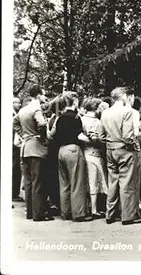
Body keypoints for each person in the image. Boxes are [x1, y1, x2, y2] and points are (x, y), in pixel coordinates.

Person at [99, 87, 141, 225]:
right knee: (127, 183)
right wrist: (133, 145)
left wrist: (110, 142)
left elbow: (101, 135)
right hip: (125, 150)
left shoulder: (105, 112)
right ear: (123, 95)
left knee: (112, 182)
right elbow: (128, 136)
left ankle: (110, 214)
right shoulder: (127, 111)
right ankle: (128, 216)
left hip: (110, 149)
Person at [13, 85, 53, 221]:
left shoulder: (23, 109)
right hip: (36, 148)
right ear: (39, 95)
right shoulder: (36, 109)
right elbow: (41, 124)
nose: (44, 97)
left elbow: (15, 122)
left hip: (25, 148)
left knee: (29, 182)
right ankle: (38, 214)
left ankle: (30, 212)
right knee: (38, 181)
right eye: (43, 94)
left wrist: (23, 135)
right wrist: (41, 137)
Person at [53, 92, 93, 222]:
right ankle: (79, 214)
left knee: (64, 184)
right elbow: (79, 136)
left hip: (61, 151)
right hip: (73, 150)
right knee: (77, 182)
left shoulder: (59, 118)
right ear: (74, 102)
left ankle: (66, 213)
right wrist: (92, 140)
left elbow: (54, 135)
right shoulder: (75, 118)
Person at [79, 97, 108, 219]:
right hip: (94, 154)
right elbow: (95, 138)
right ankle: (94, 209)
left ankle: (89, 206)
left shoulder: (81, 119)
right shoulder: (96, 122)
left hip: (83, 152)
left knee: (87, 181)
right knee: (94, 182)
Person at [12, 97, 23, 203]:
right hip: (15, 146)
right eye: (17, 103)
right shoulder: (14, 115)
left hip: (15, 145)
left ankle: (15, 192)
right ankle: (14, 193)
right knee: (15, 168)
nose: (19, 104)